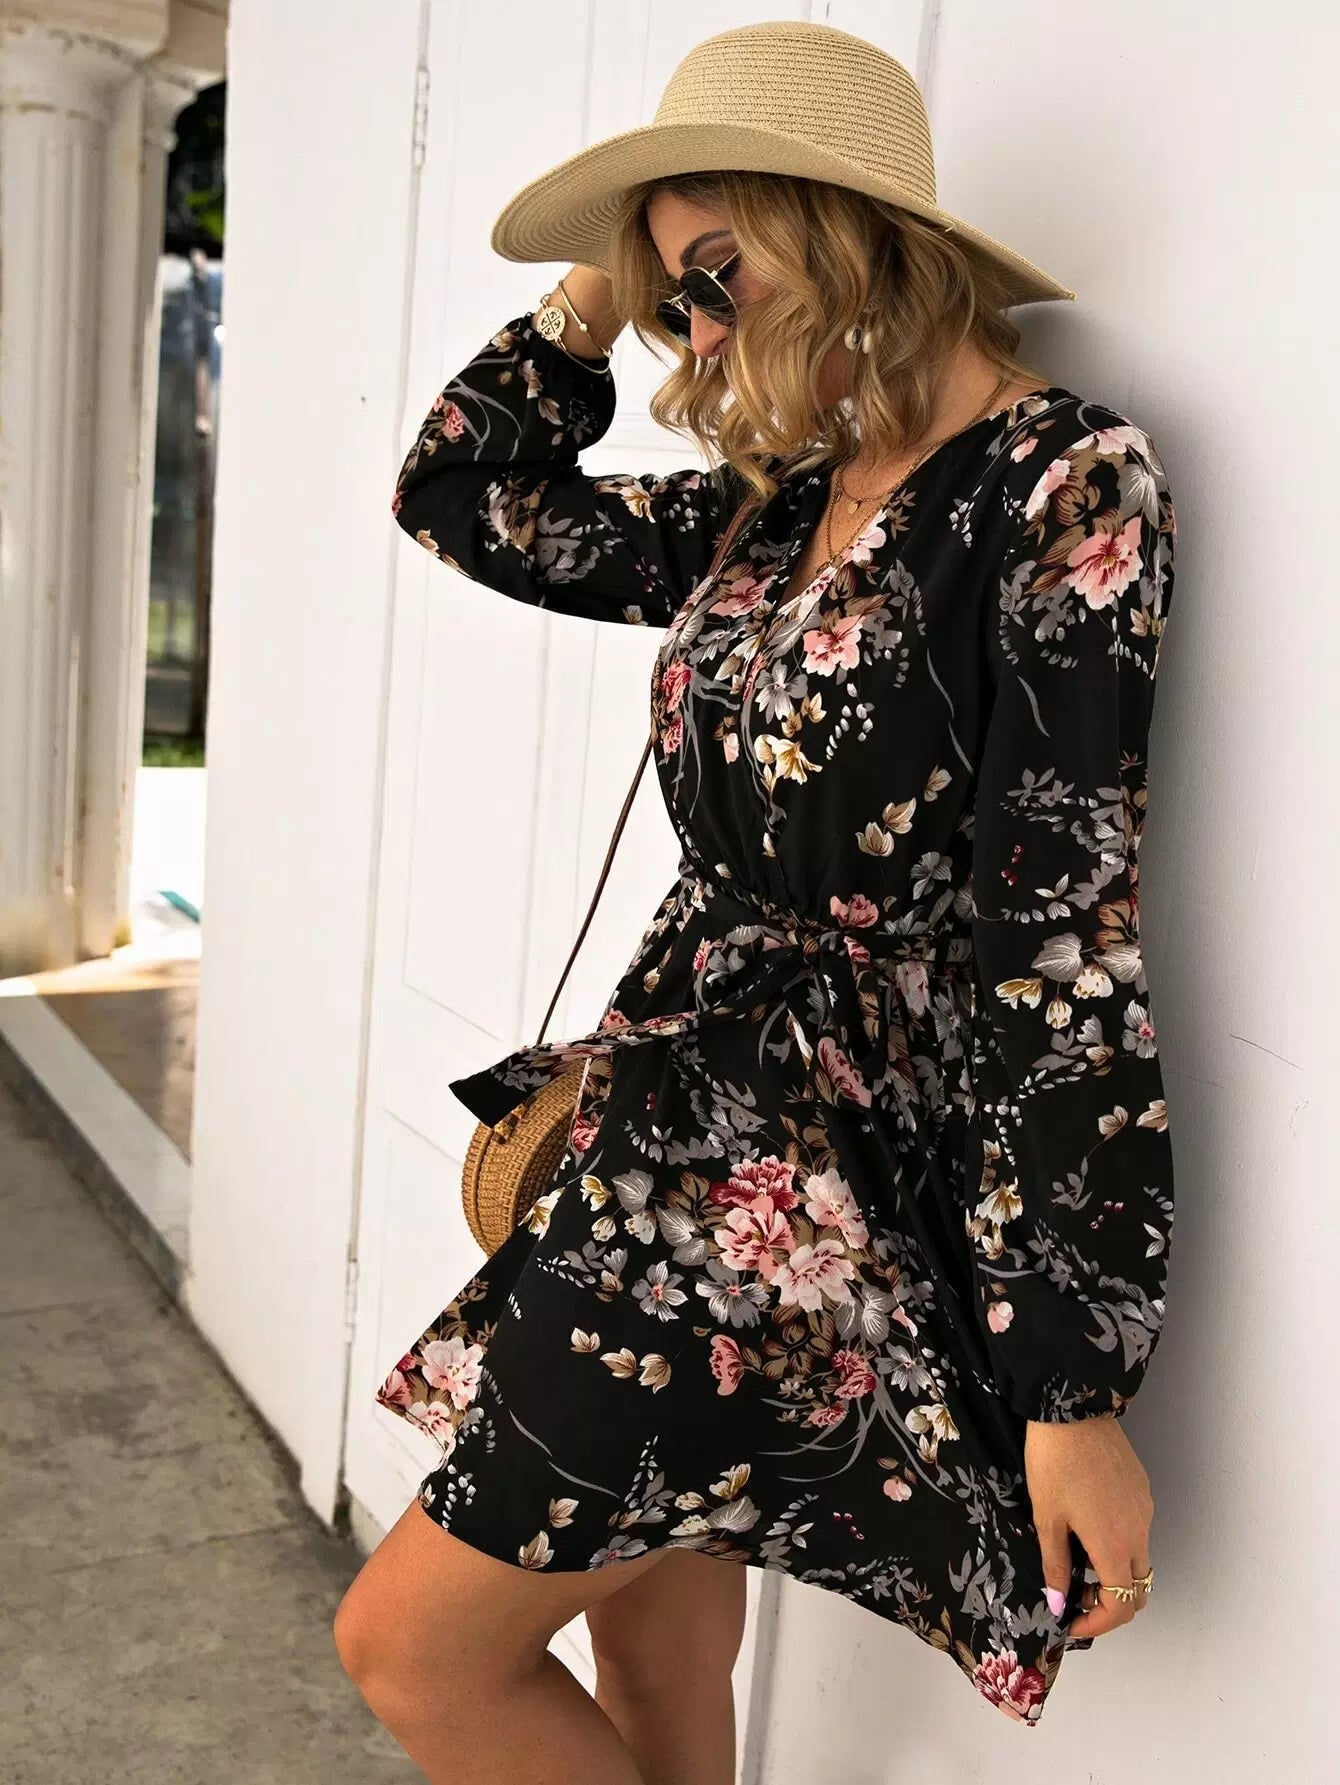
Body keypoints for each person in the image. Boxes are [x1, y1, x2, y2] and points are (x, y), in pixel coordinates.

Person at [334, 19, 1176, 1780]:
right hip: (675, 1118)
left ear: (845, 227)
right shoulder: (770, 506)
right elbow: (462, 496)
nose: (695, 332)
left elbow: (1064, 937)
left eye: (719, 272)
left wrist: (1072, 1384)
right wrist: (606, 279)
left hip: (813, 1174)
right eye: (676, 299)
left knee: (407, 1645)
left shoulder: (1061, 480)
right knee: (655, 1638)